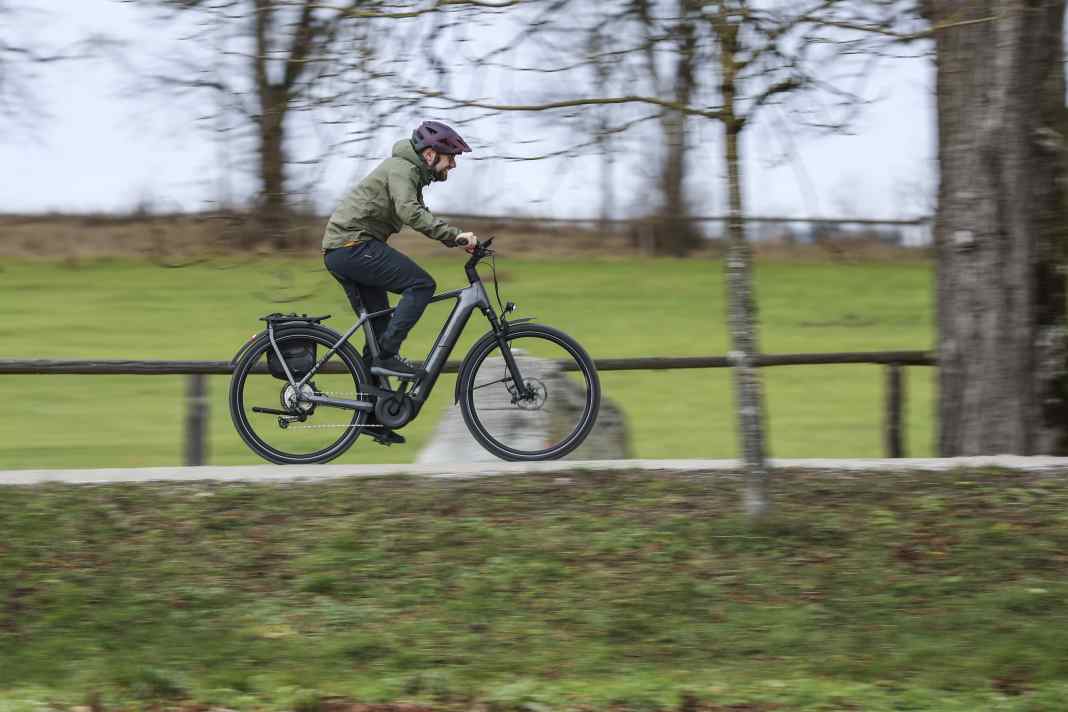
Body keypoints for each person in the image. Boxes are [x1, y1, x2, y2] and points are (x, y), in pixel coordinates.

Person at [322, 120, 478, 445]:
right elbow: (410, 213)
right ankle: (388, 356)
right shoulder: (402, 169)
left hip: (349, 248)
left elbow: (415, 209)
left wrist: (456, 238)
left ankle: (372, 418)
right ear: (431, 154)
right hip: (353, 246)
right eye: (451, 157)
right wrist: (454, 236)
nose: (454, 164)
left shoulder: (409, 173)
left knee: (377, 334)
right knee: (421, 285)